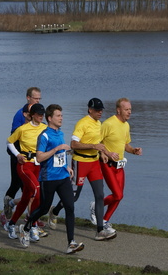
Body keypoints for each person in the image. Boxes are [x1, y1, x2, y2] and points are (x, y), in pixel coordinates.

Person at [19, 104, 85, 254]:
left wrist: (67, 167)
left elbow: (61, 155)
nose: (61, 118)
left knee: (70, 207)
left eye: (61, 115)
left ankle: (71, 243)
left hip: (62, 177)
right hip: (48, 178)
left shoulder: (60, 133)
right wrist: (55, 149)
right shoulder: (44, 135)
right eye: (58, 116)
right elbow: (39, 157)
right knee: (43, 208)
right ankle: (27, 226)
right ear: (50, 118)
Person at [51, 98, 116, 240]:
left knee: (99, 195)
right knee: (74, 196)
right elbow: (73, 144)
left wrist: (102, 153)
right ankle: (55, 211)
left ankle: (99, 230)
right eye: (97, 110)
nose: (100, 112)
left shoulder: (99, 124)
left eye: (101, 110)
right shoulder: (82, 123)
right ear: (90, 110)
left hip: (94, 164)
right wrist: (93, 146)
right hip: (80, 163)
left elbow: (98, 143)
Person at [3, 103, 47, 242]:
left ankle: (11, 224)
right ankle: (32, 225)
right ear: (32, 115)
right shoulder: (23, 129)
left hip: (38, 165)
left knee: (26, 198)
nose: (41, 116)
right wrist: (17, 155)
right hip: (24, 165)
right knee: (37, 192)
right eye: (39, 114)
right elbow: (9, 142)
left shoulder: (45, 128)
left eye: (42, 114)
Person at [98, 98, 142, 231]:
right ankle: (97, 207)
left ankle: (104, 220)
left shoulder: (126, 125)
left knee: (119, 197)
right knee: (117, 195)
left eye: (130, 110)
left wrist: (133, 150)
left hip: (120, 166)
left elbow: (125, 145)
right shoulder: (108, 124)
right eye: (126, 109)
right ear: (118, 110)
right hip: (107, 164)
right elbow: (96, 142)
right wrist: (103, 153)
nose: (129, 112)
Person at [1, 87, 41, 224]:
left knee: (29, 188)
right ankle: (6, 212)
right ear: (28, 98)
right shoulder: (20, 115)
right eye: (35, 98)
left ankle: (31, 217)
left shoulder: (37, 114)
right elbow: (13, 138)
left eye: (39, 99)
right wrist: (19, 154)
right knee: (17, 184)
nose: (38, 101)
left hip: (32, 158)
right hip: (18, 156)